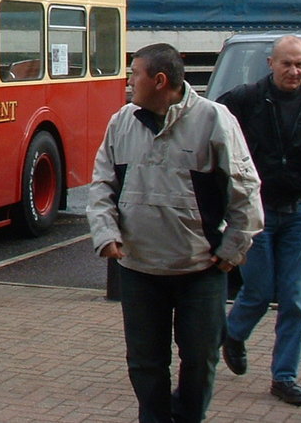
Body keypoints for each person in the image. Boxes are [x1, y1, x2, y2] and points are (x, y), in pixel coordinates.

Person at [88, 43, 263, 423]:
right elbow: (101, 184)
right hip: (139, 270)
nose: (129, 81)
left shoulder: (214, 120)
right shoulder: (122, 122)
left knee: (200, 359)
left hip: (200, 270)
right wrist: (106, 234)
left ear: (160, 80)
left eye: (134, 73)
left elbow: (245, 191)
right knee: (145, 362)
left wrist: (232, 247)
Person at [216, 34, 301, 407]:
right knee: (257, 291)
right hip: (255, 214)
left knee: (295, 300)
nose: (293, 71)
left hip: (298, 214)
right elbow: (212, 130)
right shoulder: (245, 100)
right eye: (286, 63)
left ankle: (284, 377)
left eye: (300, 64)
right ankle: (233, 334)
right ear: (271, 62)